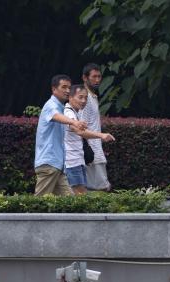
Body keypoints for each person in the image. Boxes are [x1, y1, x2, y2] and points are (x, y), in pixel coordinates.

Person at [33, 74, 87, 197]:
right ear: (54, 89)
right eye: (64, 87)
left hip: (57, 165)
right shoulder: (50, 105)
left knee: (69, 202)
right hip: (49, 164)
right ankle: (24, 217)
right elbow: (56, 116)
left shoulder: (61, 107)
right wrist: (74, 121)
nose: (68, 91)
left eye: (69, 87)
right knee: (38, 202)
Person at [64, 84, 115, 195]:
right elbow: (80, 132)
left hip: (77, 160)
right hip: (72, 162)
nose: (83, 101)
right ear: (70, 97)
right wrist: (101, 135)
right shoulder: (68, 113)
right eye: (80, 97)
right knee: (80, 193)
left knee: (78, 193)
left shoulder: (75, 113)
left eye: (86, 98)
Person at [81, 63, 111, 191]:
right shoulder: (84, 98)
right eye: (94, 77)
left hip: (95, 151)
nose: (97, 80)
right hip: (91, 153)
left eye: (99, 77)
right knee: (102, 189)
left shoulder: (91, 97)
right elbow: (80, 128)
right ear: (85, 78)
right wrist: (88, 152)